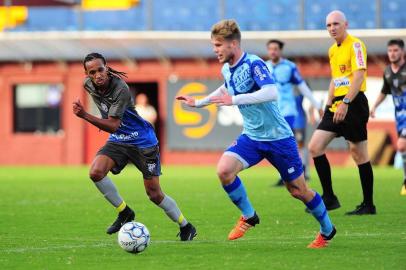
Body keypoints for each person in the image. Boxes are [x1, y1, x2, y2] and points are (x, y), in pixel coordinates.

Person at [177, 19, 336, 248]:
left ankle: (327, 230)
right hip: (252, 136)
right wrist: (199, 102)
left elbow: (271, 92)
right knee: (224, 170)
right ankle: (249, 215)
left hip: (279, 138)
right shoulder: (226, 69)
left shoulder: (254, 63)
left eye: (218, 45)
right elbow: (226, 89)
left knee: (298, 190)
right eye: (214, 45)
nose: (215, 50)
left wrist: (235, 100)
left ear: (233, 44)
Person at [72, 52, 196, 240]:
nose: (97, 75)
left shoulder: (120, 88)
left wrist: (85, 115)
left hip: (142, 141)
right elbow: (113, 126)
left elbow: (112, 124)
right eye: (92, 72)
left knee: (154, 194)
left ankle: (186, 226)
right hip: (119, 139)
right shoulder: (88, 84)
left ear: (106, 68)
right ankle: (125, 212)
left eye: (100, 70)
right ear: (86, 74)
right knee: (95, 172)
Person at [308, 10, 376, 215]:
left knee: (358, 153)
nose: (332, 28)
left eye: (336, 24)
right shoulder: (332, 50)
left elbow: (358, 76)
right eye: (328, 25)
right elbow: (335, 78)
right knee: (314, 147)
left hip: (353, 103)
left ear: (345, 24)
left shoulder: (356, 45)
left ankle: (368, 204)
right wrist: (328, 103)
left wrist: (346, 101)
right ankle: (329, 197)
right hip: (337, 103)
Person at [265, 39, 323, 185]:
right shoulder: (263, 67)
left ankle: (302, 171)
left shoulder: (290, 67)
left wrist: (316, 105)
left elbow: (302, 87)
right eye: (270, 49)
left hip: (290, 111)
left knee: (297, 143)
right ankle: (284, 175)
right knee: (278, 144)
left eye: (275, 49)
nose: (273, 52)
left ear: (280, 51)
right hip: (273, 113)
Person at [370, 39, 406, 196]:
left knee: (401, 146)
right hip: (399, 117)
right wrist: (374, 106)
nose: (392, 53)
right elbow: (384, 91)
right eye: (390, 50)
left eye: (396, 50)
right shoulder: (388, 72)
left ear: (402, 52)